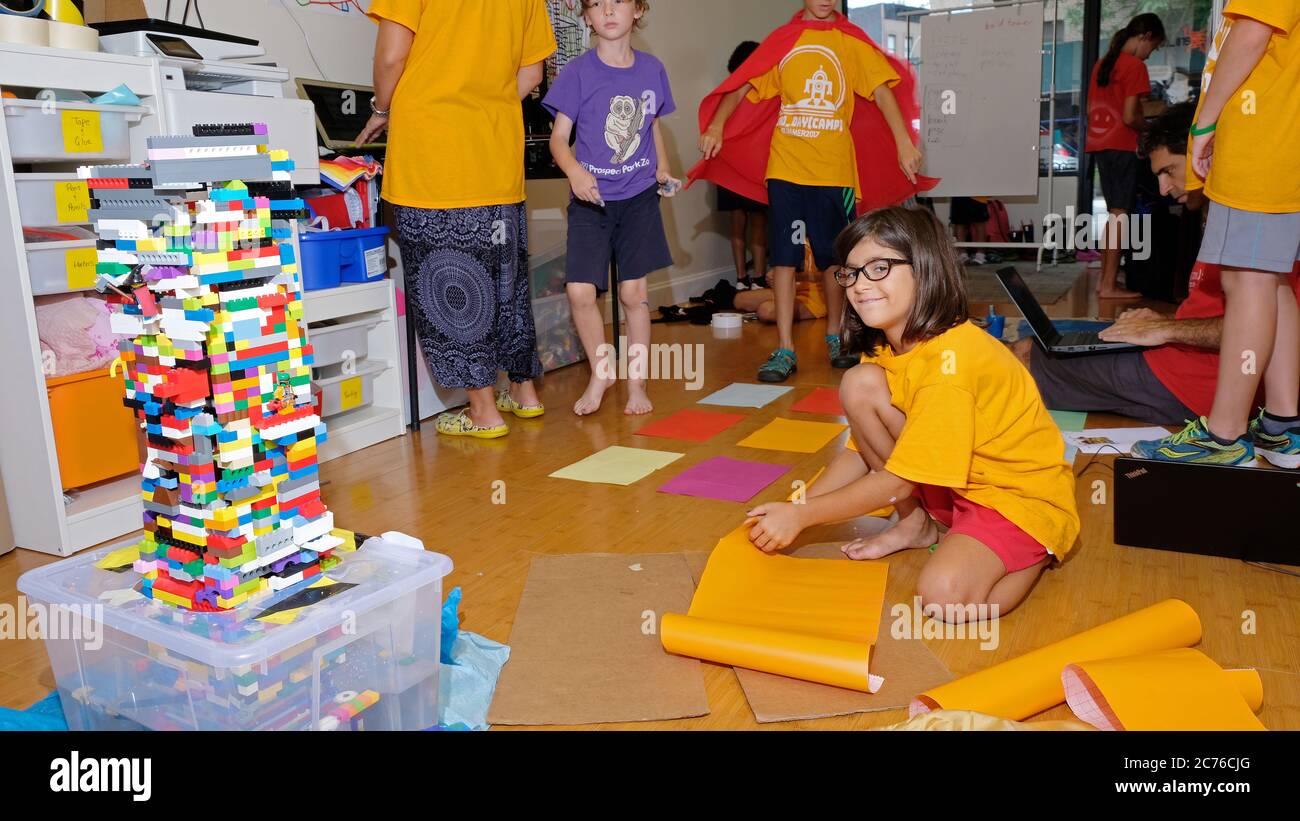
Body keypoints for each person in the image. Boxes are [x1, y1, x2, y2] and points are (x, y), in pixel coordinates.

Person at [745, 207, 1079, 620]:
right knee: (859, 382)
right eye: (851, 272)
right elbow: (858, 454)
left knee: (943, 597)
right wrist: (795, 506)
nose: (859, 286)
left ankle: (1040, 545)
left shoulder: (950, 364)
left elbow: (900, 480)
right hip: (954, 484)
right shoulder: (886, 348)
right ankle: (916, 524)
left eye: (879, 268)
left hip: (1016, 498)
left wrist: (802, 516)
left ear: (926, 269)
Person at [1017, 103, 1298, 433]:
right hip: (1176, 362)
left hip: (1191, 385)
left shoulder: (1256, 217)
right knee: (1043, 345)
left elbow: (1269, 326)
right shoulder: (1225, 213)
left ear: (1205, 153)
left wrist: (1168, 329)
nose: (1164, 188)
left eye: (1169, 171)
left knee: (1022, 357)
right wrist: (1164, 325)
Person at [692, 0, 932, 381]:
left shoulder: (848, 42)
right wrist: (718, 126)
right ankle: (785, 347)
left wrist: (904, 142)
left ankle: (835, 335)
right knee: (783, 259)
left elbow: (883, 92)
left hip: (834, 172)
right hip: (786, 168)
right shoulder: (784, 41)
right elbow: (741, 86)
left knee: (833, 260)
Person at [358, 0, 554, 439]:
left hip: (435, 152)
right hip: (496, 154)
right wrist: (486, 102)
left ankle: (483, 410)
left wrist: (383, 108)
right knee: (507, 280)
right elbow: (532, 74)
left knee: (451, 280)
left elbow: (392, 55)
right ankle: (524, 393)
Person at [1133, 2, 1300, 468]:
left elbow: (1251, 33)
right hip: (1281, 144)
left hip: (1260, 146)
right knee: (1272, 279)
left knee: (1246, 279)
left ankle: (1224, 434)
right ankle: (1284, 425)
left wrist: (1204, 123)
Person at [543, 0, 677, 417]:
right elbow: (558, 140)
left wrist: (664, 169)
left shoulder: (652, 68)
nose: (607, 10)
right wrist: (575, 174)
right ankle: (602, 371)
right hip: (592, 200)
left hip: (638, 197)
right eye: (596, 5)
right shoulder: (578, 72)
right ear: (586, 17)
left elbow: (652, 124)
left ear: (637, 10)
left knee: (633, 295)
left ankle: (636, 383)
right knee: (580, 291)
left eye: (617, 1)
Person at [1084, 13, 1166, 300]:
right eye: (1152, 48)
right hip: (1122, 146)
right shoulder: (1133, 66)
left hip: (1100, 145)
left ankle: (1104, 283)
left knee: (1115, 214)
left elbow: (1091, 111)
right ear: (1145, 37)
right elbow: (1131, 116)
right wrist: (1151, 128)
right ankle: (1107, 285)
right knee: (1121, 215)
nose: (1149, 54)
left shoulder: (1101, 65)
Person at [717, 41, 768, 292]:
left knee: (753, 220)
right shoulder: (730, 93)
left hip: (753, 165)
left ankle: (755, 277)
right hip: (732, 165)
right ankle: (745, 278)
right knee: (743, 221)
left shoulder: (766, 93)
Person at [733, 244, 826, 324]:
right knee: (739, 300)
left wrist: (794, 276)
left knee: (765, 311)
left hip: (817, 295)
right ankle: (782, 308)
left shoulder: (824, 233)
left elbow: (830, 275)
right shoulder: (793, 230)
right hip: (791, 288)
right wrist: (775, 274)